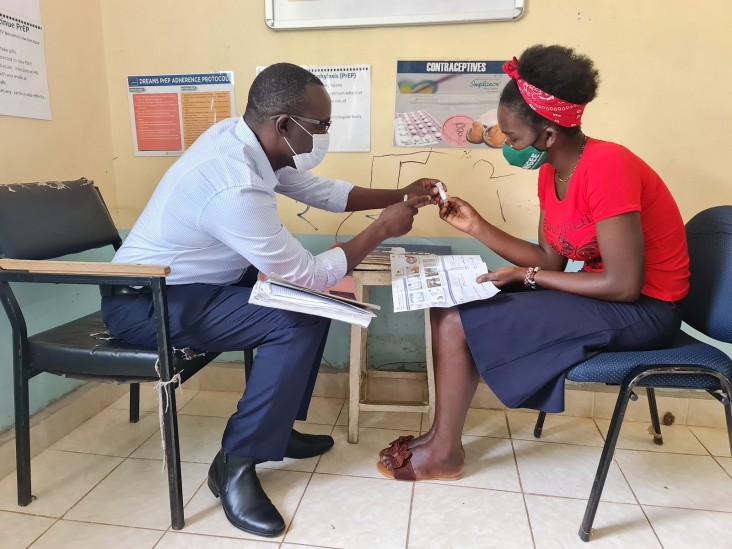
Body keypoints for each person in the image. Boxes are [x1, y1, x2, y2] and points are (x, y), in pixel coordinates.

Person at [101, 62, 437, 536]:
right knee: (301, 314)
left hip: (199, 286)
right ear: (283, 125)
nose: (324, 133)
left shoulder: (244, 139)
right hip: (147, 302)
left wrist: (401, 193)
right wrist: (381, 229)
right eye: (320, 125)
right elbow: (308, 275)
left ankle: (275, 429)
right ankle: (235, 465)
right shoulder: (232, 181)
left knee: (316, 307)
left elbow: (317, 190)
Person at [378, 44, 690, 482]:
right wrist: (477, 226)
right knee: (446, 306)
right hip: (606, 294)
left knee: (457, 323)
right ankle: (437, 437)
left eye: (513, 138)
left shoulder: (607, 167)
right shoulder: (552, 171)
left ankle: (445, 452)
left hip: (646, 309)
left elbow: (624, 284)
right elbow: (551, 259)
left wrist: (526, 277)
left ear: (547, 136)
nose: (506, 145)